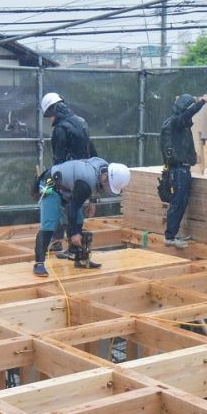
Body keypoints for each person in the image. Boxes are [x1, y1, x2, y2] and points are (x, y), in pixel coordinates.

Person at [32, 157, 130, 276]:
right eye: (109, 186)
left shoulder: (103, 167)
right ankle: (39, 264)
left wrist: (92, 201)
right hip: (50, 183)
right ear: (105, 176)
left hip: (66, 187)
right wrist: (75, 234)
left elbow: (90, 190)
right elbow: (72, 207)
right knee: (49, 223)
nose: (108, 189)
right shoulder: (86, 183)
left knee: (78, 219)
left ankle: (79, 257)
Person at [41, 92, 97, 252]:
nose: (49, 121)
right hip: (84, 177)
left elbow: (58, 162)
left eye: (48, 116)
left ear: (52, 112)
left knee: (52, 200)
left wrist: (57, 182)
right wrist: (93, 198)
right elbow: (93, 153)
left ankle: (57, 241)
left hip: (66, 176)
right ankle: (75, 240)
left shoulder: (59, 129)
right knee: (75, 205)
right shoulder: (82, 123)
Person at [159, 92, 207, 249]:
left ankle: (172, 234)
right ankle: (170, 236)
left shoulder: (175, 125)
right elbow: (189, 113)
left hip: (179, 170)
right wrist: (202, 101)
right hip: (179, 171)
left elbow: (180, 146)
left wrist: (193, 157)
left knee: (180, 202)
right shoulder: (177, 122)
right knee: (178, 203)